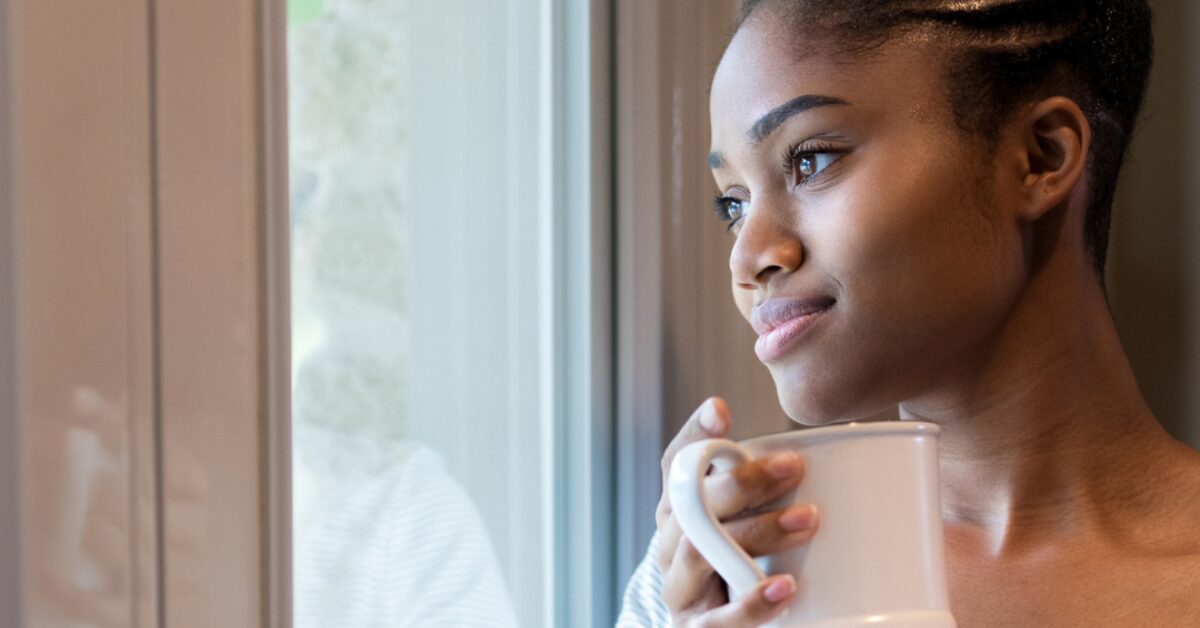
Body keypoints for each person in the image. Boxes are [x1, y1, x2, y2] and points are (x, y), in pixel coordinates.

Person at [618, 0, 1200, 625]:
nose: (748, 258)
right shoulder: (724, 576)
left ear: (1039, 157)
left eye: (809, 160)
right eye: (732, 205)